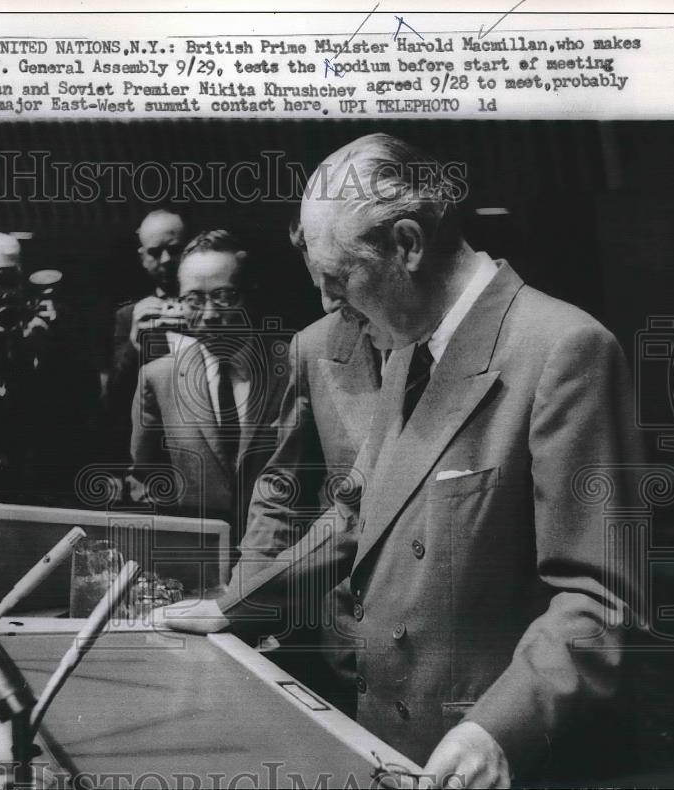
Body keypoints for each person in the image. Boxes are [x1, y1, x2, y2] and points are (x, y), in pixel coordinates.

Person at [157, 133, 644, 787]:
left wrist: (500, 728)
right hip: (387, 735)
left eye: (340, 281)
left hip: (489, 751)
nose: (333, 308)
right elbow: (361, 516)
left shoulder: (566, 348)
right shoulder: (408, 349)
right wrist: (238, 605)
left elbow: (599, 599)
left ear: (408, 245)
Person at [231, 218, 387, 715]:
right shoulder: (314, 346)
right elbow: (281, 487)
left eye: (337, 282)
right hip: (343, 646)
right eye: (316, 283)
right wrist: (245, 604)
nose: (325, 301)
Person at [128, 230, 289, 545]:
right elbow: (142, 478)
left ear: (249, 294)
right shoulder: (158, 379)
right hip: (197, 567)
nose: (210, 314)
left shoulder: (294, 366)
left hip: (281, 567)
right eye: (194, 300)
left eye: (224, 297)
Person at [0, 231, 100, 504]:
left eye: (14, 278)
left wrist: (47, 356)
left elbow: (90, 405)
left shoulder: (59, 325)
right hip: (4, 494)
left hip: (64, 484)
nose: (10, 290)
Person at [106, 210, 189, 467]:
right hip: (157, 454)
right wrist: (134, 346)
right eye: (154, 252)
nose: (165, 260)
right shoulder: (129, 315)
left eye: (174, 249)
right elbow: (113, 400)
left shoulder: (215, 310)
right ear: (143, 258)